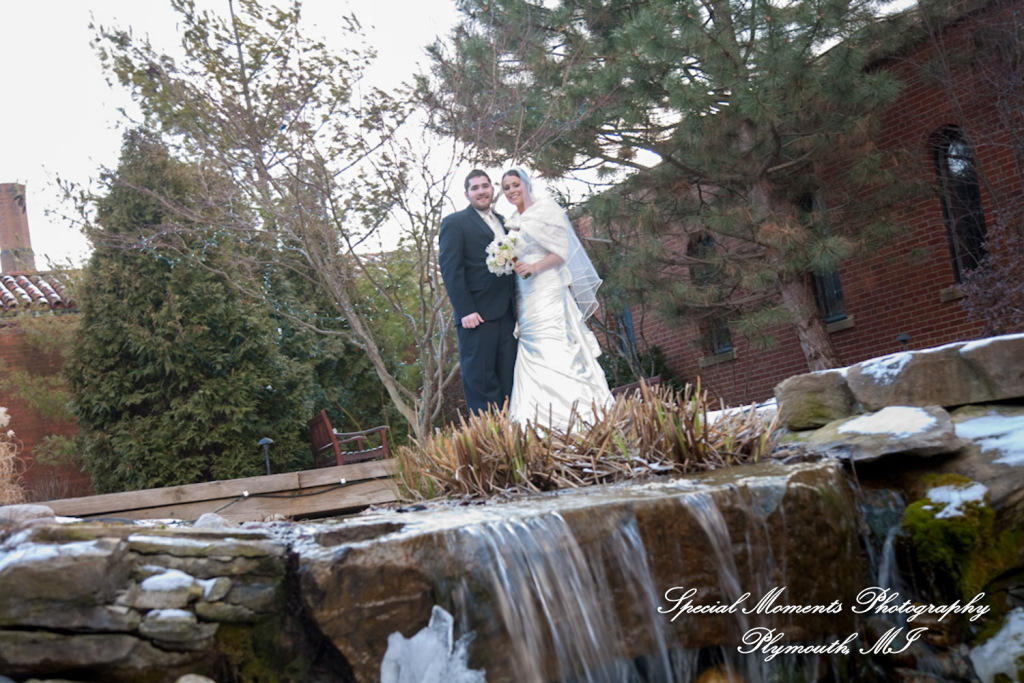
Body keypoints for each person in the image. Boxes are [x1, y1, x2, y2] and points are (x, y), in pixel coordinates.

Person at [501, 168, 612, 428]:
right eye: (506, 188)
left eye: (515, 184)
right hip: (524, 295)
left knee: (553, 343)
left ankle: (576, 414)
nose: (511, 191)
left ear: (526, 184)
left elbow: (561, 252)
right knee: (530, 346)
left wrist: (534, 267)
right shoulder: (511, 221)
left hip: (547, 288)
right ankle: (535, 418)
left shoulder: (546, 210)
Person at [439, 170, 518, 414]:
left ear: (492, 190)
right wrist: (466, 310)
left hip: (507, 313)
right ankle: (489, 437)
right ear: (467, 194)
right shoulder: (455, 223)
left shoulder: (505, 221)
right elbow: (451, 269)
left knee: (509, 377)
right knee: (481, 380)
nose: (481, 191)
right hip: (477, 315)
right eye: (475, 188)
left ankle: (513, 435)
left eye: (485, 186)